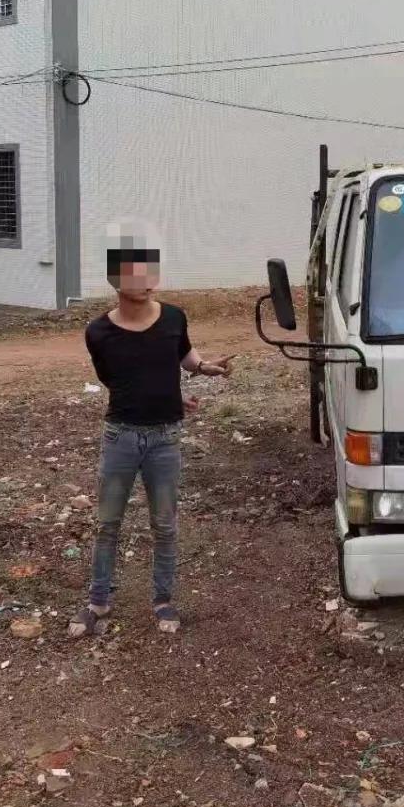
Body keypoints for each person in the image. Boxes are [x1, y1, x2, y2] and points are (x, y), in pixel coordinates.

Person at [70, 240, 234, 637]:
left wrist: (206, 369)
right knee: (107, 523)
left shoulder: (175, 318)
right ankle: (98, 602)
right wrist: (154, 393)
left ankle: (163, 601)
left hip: (165, 439)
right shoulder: (98, 332)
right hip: (121, 437)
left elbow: (185, 357)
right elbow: (114, 380)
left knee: (164, 524)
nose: (145, 281)